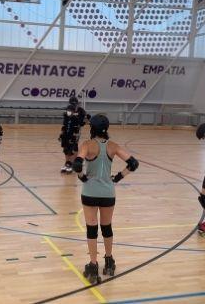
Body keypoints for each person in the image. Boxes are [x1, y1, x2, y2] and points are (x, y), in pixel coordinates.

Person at [73, 114, 138, 283]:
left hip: (90, 192)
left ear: (92, 128)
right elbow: (133, 163)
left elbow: (77, 164)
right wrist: (117, 178)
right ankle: (109, 261)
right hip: (108, 192)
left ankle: (93, 265)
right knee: (107, 227)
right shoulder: (113, 146)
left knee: (91, 228)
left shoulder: (87, 144)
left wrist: (81, 177)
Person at [59, 104, 82, 174]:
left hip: (72, 137)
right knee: (65, 151)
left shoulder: (75, 119)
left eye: (70, 111)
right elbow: (63, 127)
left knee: (71, 151)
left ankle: (71, 164)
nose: (68, 112)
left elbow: (76, 130)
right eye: (68, 110)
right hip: (65, 136)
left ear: (73, 111)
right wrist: (61, 135)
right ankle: (67, 163)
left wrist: (74, 138)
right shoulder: (66, 117)